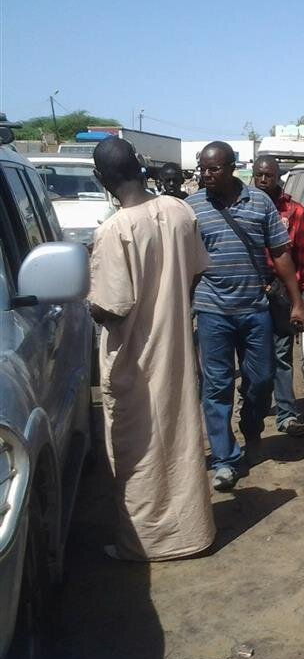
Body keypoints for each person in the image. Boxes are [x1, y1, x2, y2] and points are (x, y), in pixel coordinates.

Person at [89, 137, 215, 561]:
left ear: (100, 178)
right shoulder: (180, 210)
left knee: (138, 448)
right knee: (180, 438)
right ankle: (194, 533)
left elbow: (112, 308)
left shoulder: (114, 230)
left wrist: (89, 303)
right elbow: (195, 273)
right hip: (177, 345)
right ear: (140, 167)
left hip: (136, 358)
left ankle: (146, 545)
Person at [186, 141, 304, 491]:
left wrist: (298, 300)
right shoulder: (192, 207)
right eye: (203, 169)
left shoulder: (259, 204)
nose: (207, 175)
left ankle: (251, 425)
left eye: (214, 168)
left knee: (262, 379)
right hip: (212, 311)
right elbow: (185, 263)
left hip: (256, 308)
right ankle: (225, 460)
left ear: (231, 167)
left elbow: (281, 253)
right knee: (217, 385)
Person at [251, 154, 304, 437]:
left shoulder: (295, 212)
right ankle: (251, 405)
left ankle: (287, 415)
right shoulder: (244, 208)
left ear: (278, 177)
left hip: (283, 291)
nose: (264, 180)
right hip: (251, 289)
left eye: (269, 175)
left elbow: (303, 255)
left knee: (281, 354)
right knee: (252, 355)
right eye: (259, 175)